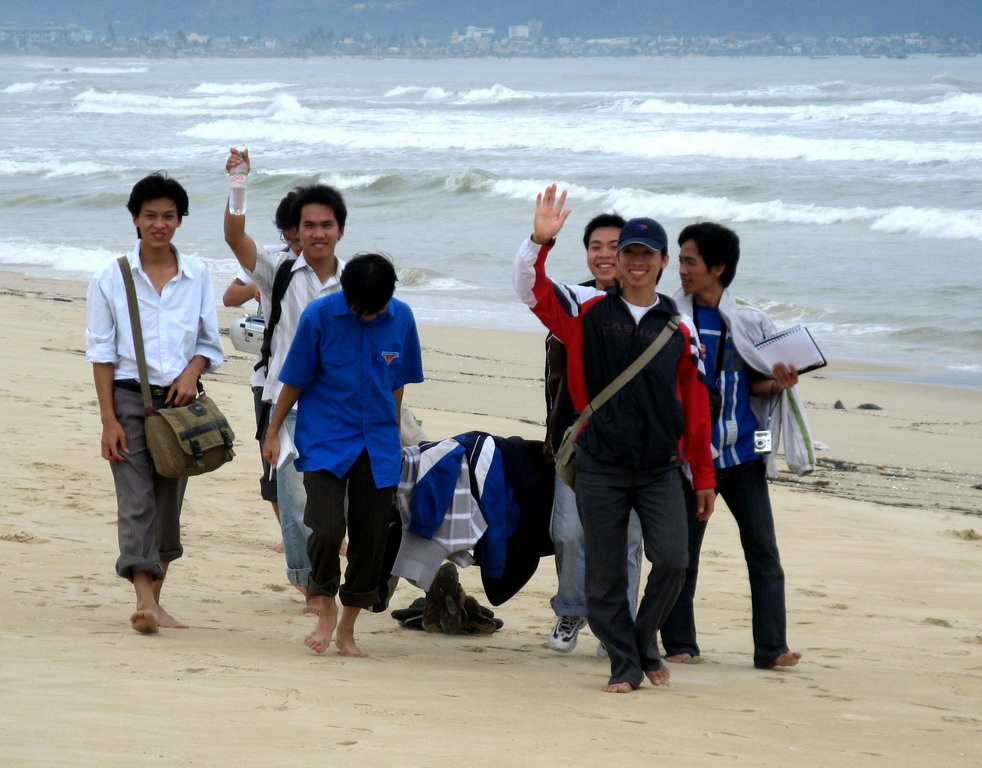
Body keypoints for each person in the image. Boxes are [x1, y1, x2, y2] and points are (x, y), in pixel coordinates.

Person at [514, 185, 715, 692]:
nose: (636, 262)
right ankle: (625, 665)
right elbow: (530, 290)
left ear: (664, 261)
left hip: (660, 468)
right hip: (600, 463)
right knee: (603, 574)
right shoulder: (584, 313)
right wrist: (539, 241)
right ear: (618, 262)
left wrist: (704, 476)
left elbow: (695, 409)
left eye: (646, 254)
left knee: (673, 559)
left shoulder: (680, 327)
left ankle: (642, 641)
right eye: (628, 253)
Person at [660, 221, 810, 670]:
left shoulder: (749, 320)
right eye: (681, 260)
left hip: (743, 454)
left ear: (718, 268)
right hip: (689, 459)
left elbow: (757, 386)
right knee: (681, 558)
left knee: (763, 551)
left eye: (690, 261)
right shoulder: (669, 315)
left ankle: (771, 649)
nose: (681, 269)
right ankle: (681, 644)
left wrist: (779, 382)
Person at [263, 253, 424, 657]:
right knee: (326, 528)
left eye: (377, 310)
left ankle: (348, 625)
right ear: (346, 294)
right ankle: (324, 608)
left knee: (371, 539)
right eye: (360, 310)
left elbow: (397, 383)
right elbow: (294, 379)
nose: (368, 317)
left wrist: (394, 433)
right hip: (325, 440)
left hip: (379, 444)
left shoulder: (402, 318)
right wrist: (273, 432)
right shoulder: (319, 316)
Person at [86, 172, 223, 634]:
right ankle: (143, 597)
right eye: (150, 216)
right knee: (136, 500)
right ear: (134, 220)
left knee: (168, 505)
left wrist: (192, 372)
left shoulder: (197, 272)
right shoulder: (110, 277)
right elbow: (101, 354)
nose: (159, 224)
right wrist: (108, 420)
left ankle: (155, 602)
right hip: (126, 400)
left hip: (178, 408)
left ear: (180, 221)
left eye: (168, 216)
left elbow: (209, 341)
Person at [223, 148, 347, 608]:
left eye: (326, 225)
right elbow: (235, 238)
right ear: (295, 231)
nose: (317, 233)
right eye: (309, 225)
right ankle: (308, 581)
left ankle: (329, 573)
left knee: (336, 505)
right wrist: (238, 183)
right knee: (293, 500)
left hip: (340, 406)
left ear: (339, 230)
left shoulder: (353, 279)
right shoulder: (279, 268)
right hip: (285, 402)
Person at [543, 213, 644, 654]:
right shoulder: (571, 302)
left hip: (638, 448)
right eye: (595, 246)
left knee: (627, 540)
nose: (604, 255)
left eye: (614, 246)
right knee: (568, 532)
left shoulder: (653, 309)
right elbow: (553, 381)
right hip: (578, 441)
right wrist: (554, 436)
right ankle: (571, 610)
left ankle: (618, 625)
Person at [222, 189, 303, 554]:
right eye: (292, 237)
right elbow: (229, 296)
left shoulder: (337, 271)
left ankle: (310, 538)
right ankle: (293, 538)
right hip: (271, 381)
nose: (300, 244)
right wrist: (262, 286)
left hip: (318, 389)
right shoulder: (272, 261)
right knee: (275, 470)